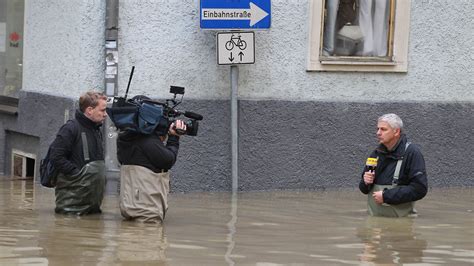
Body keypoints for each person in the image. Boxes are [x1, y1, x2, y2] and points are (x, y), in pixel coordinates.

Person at [116, 102, 187, 224]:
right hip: (147, 210)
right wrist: (174, 138)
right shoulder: (147, 141)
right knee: (151, 239)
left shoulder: (124, 138)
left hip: (129, 206)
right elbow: (168, 160)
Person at [49, 91, 108, 215]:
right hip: (71, 206)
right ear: (90, 110)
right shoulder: (70, 129)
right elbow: (56, 156)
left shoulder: (96, 129)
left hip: (93, 205)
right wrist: (76, 174)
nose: (105, 114)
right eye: (102, 110)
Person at [359, 113, 428, 217]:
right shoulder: (376, 154)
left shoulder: (412, 153)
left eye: (383, 129)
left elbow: (419, 189)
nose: (378, 133)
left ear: (396, 131)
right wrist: (365, 182)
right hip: (374, 222)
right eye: (378, 129)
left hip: (401, 225)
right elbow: (364, 189)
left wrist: (386, 196)